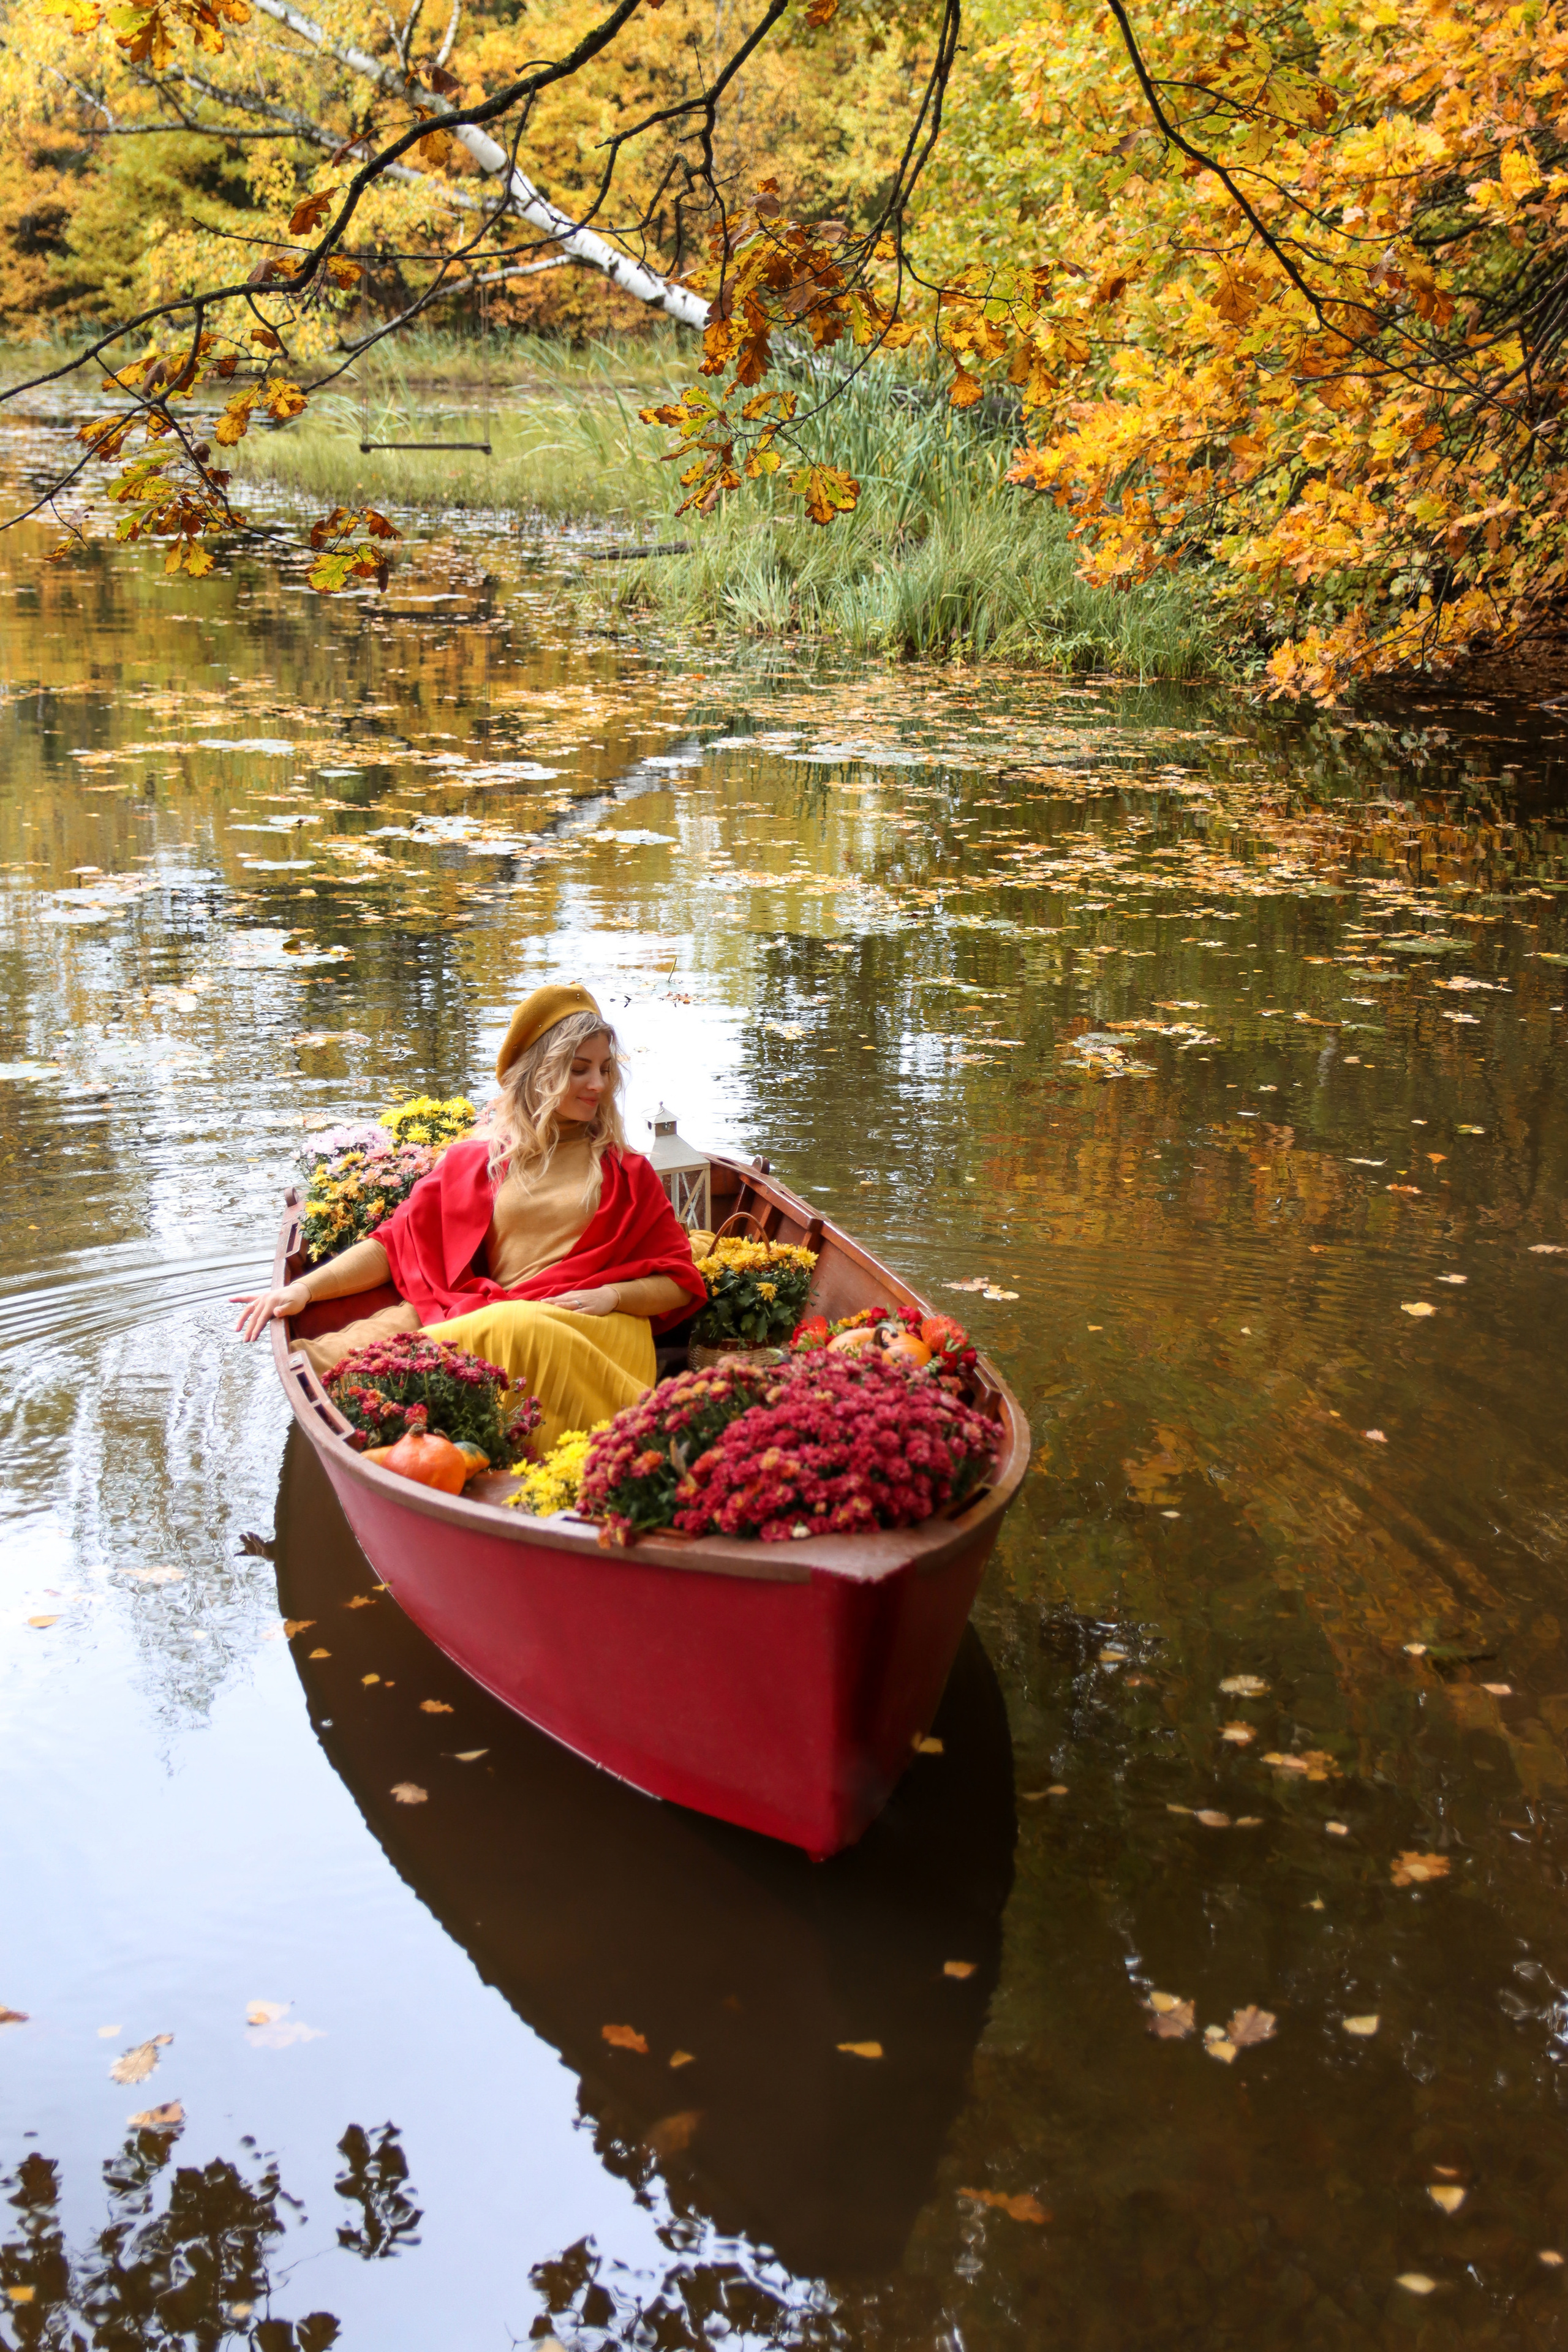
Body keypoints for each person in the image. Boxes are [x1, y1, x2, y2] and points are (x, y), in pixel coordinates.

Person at [236, 984, 706, 1451]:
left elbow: (679, 1282)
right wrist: (303, 1288)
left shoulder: (626, 1171)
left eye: (605, 1070)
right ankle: (390, 1416)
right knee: (336, 1356)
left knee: (511, 1325)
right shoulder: (477, 1161)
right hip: (487, 1311)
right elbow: (393, 1242)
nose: (599, 1085)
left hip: (593, 1330)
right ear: (538, 1074)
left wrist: (611, 1294)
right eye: (579, 1070)